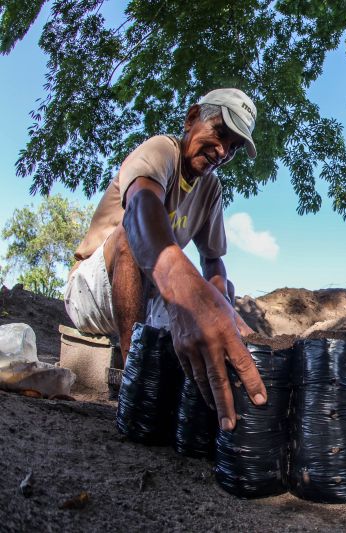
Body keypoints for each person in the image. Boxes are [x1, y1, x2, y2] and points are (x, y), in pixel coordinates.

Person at [64, 88, 267, 430]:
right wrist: (186, 291)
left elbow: (213, 261)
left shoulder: (211, 189)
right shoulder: (162, 150)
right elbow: (141, 209)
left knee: (222, 289)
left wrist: (222, 309)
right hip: (92, 295)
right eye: (219, 134)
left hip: (150, 298)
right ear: (191, 119)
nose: (222, 151)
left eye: (232, 147)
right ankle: (134, 380)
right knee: (133, 236)